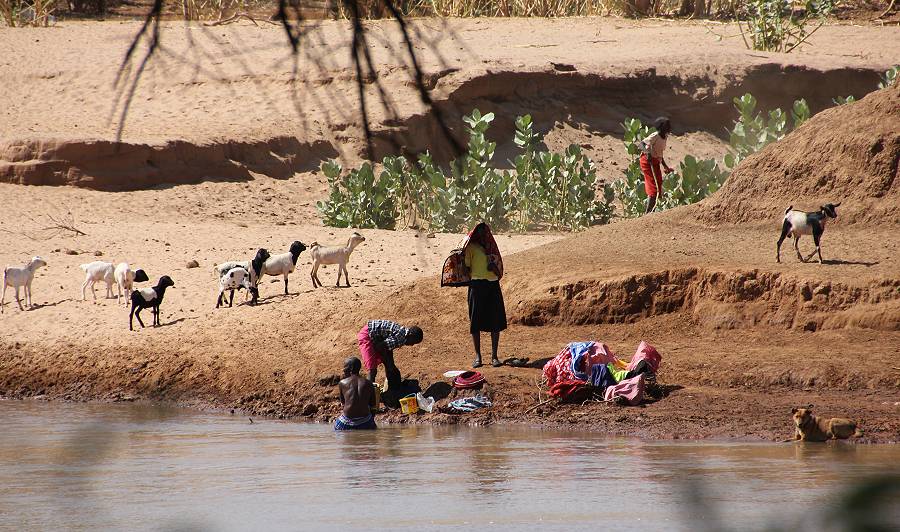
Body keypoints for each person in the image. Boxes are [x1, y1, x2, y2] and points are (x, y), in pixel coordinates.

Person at [464, 222, 507, 368]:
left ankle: (494, 356)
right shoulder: (471, 247)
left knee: (495, 320)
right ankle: (478, 356)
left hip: (492, 284)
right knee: (475, 320)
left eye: (485, 232)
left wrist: (492, 266)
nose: (483, 235)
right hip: (477, 285)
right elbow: (467, 268)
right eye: (480, 232)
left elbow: (499, 270)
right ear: (476, 234)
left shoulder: (492, 248)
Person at [358, 319, 423, 390]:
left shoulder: (402, 331)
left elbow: (386, 345)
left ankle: (387, 390)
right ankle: (368, 397)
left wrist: (389, 363)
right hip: (367, 336)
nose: (412, 344)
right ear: (410, 335)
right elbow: (380, 347)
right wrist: (387, 362)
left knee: (389, 364)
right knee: (372, 370)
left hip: (372, 332)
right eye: (413, 342)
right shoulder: (401, 338)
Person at [640, 117, 674, 214]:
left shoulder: (665, 137)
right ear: (662, 127)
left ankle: (652, 211)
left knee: (658, 186)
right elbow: (641, 144)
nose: (669, 127)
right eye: (667, 125)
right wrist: (647, 153)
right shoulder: (655, 135)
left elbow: (660, 154)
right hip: (647, 162)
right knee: (653, 189)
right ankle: (648, 213)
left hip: (655, 162)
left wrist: (665, 167)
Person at [334, 357, 377, 431]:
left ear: (351, 368)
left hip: (346, 423)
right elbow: (373, 406)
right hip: (365, 422)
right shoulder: (369, 383)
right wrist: (370, 420)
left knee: (337, 430)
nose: (343, 370)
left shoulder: (342, 383)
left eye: (345, 367)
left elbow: (343, 404)